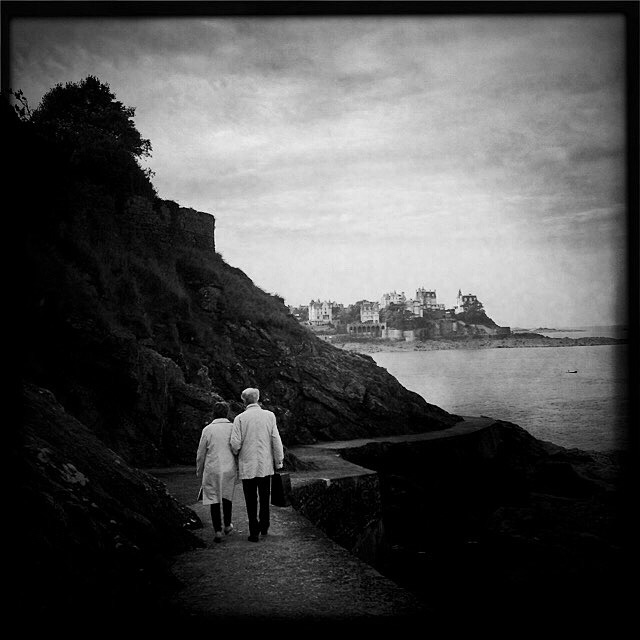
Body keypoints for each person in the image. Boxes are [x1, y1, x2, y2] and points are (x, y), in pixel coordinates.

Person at [230, 387, 284, 542]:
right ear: (258, 398)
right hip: (265, 464)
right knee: (264, 496)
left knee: (251, 499)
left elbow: (235, 444)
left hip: (247, 465)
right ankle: (265, 525)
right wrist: (278, 460)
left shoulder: (240, 418)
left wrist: (236, 452)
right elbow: (276, 439)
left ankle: (254, 531)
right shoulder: (269, 416)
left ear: (244, 400)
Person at [196, 401, 240, 543]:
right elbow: (236, 447)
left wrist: (199, 470)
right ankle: (227, 525)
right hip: (229, 467)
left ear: (213, 413)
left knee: (214, 499)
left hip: (212, 467)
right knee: (227, 496)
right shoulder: (233, 427)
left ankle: (218, 531)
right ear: (227, 413)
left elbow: (201, 454)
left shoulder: (208, 430)